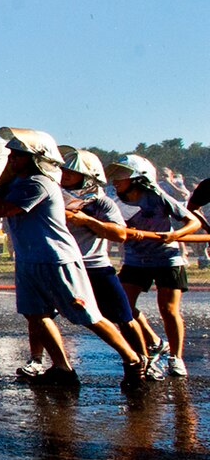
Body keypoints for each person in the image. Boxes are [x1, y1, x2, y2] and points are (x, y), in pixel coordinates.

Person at [0, 128, 148, 389]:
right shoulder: (20, 182)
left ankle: (133, 360)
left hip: (56, 259)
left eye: (18, 154)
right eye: (10, 154)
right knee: (36, 314)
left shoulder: (39, 182)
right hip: (29, 259)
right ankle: (62, 369)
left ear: (36, 158)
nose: (11, 158)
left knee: (88, 315)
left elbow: (3, 208)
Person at [57, 149, 155, 372]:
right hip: (63, 265)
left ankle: (143, 361)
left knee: (124, 317)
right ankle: (52, 365)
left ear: (88, 174)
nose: (65, 174)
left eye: (72, 171)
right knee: (40, 315)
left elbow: (119, 234)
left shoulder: (101, 203)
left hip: (96, 266)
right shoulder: (55, 197)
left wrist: (87, 221)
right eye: (63, 170)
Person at [108, 154, 204, 378]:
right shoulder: (115, 202)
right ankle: (154, 341)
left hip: (166, 259)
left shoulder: (157, 197)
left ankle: (176, 358)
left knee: (168, 310)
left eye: (121, 175)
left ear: (138, 178)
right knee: (122, 307)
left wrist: (175, 235)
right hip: (135, 261)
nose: (115, 180)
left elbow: (194, 221)